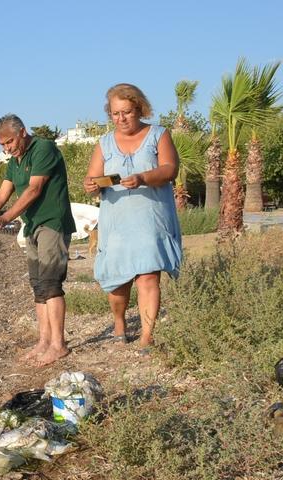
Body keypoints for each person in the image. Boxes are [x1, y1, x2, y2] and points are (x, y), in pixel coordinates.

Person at [0, 114, 76, 366]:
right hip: (32, 226)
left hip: (52, 223)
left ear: (23, 132)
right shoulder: (14, 161)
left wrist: (6, 218)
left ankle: (59, 345)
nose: (6, 148)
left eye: (9, 142)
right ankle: (43, 342)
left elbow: (35, 189)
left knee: (51, 283)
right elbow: (2, 194)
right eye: (2, 144)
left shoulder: (43, 148)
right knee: (38, 287)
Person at [83, 83, 182, 351]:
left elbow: (170, 169)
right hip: (116, 221)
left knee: (148, 276)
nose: (121, 118)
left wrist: (142, 178)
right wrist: (92, 184)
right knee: (118, 280)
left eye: (126, 112)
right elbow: (90, 178)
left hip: (150, 217)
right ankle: (119, 323)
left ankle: (147, 335)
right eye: (115, 114)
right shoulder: (104, 143)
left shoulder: (158, 135)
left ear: (139, 109)